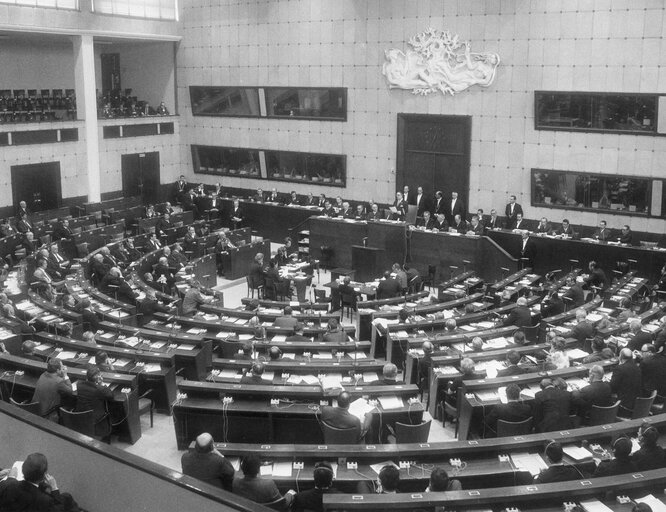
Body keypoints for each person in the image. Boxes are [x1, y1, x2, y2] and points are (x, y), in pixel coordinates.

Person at [0, 452, 79, 512]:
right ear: (44, 475)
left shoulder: (7, 485)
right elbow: (58, 509)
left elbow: (8, 485)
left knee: (66, 496)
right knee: (67, 497)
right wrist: (54, 488)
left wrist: (11, 477)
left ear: (22, 470)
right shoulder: (45, 501)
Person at [75, 366, 114, 441]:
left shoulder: (79, 385)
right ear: (98, 377)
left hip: (80, 416)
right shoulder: (99, 389)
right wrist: (102, 383)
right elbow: (110, 395)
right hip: (95, 420)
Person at [611, 348, 643, 418]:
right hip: (636, 404)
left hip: (623, 407)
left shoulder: (619, 368)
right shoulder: (637, 368)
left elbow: (612, 387)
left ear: (620, 357)